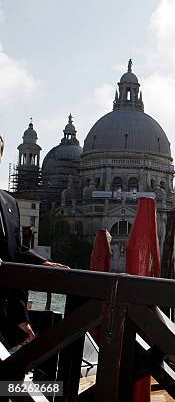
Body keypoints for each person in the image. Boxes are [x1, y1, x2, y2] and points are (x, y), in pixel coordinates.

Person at [0, 134, 66, 353]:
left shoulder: (9, 202)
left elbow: (15, 251)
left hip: (4, 309)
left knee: (12, 381)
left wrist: (43, 263)